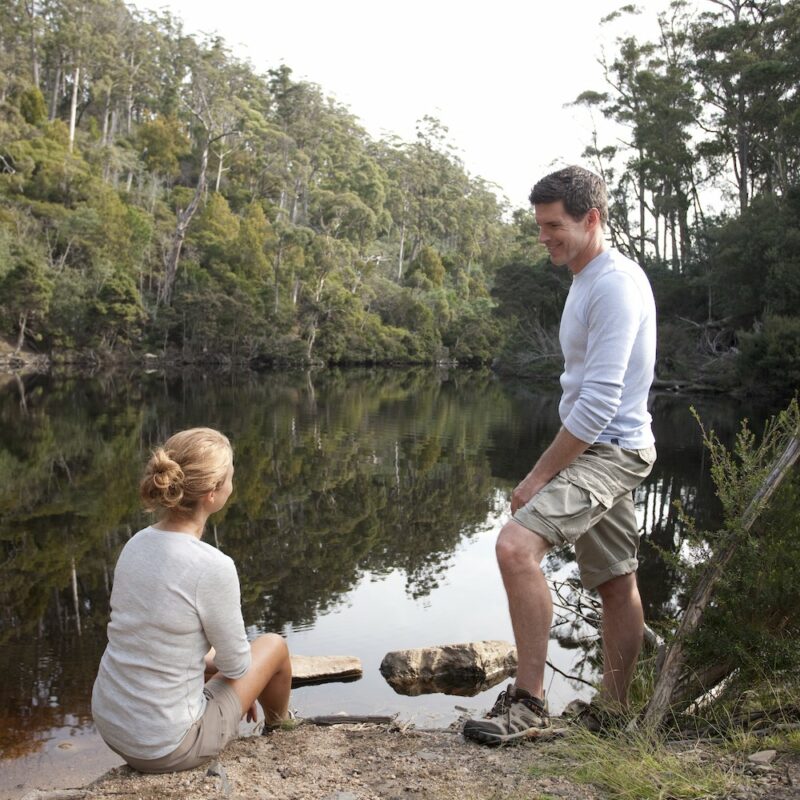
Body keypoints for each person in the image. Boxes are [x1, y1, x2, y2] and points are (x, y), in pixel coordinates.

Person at [463, 166, 657, 745]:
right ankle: (615, 712)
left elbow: (599, 404)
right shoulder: (585, 276)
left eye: (554, 226)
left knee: (515, 546)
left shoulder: (615, 284)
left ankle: (528, 701)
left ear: (591, 219)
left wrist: (536, 477)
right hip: (604, 443)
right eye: (540, 225)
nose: (544, 236)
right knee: (616, 582)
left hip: (610, 448)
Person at [92, 427, 292, 773]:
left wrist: (223, 677)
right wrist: (239, 686)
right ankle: (281, 728)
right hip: (166, 747)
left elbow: (160, 639)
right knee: (274, 646)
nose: (233, 482)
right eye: (231, 475)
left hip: (111, 724)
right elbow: (237, 668)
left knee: (210, 663)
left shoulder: (136, 543)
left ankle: (232, 714)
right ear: (213, 494)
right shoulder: (213, 566)